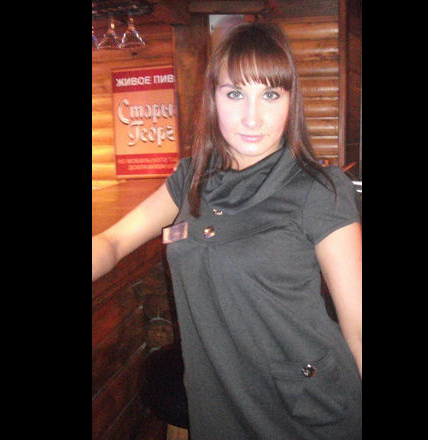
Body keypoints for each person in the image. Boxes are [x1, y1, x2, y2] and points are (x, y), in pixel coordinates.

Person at [92, 22, 362, 440]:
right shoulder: (191, 178)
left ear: (291, 101)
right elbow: (112, 242)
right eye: (235, 94)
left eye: (270, 94)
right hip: (217, 401)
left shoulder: (319, 189)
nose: (252, 117)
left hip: (306, 408)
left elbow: (358, 324)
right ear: (213, 98)